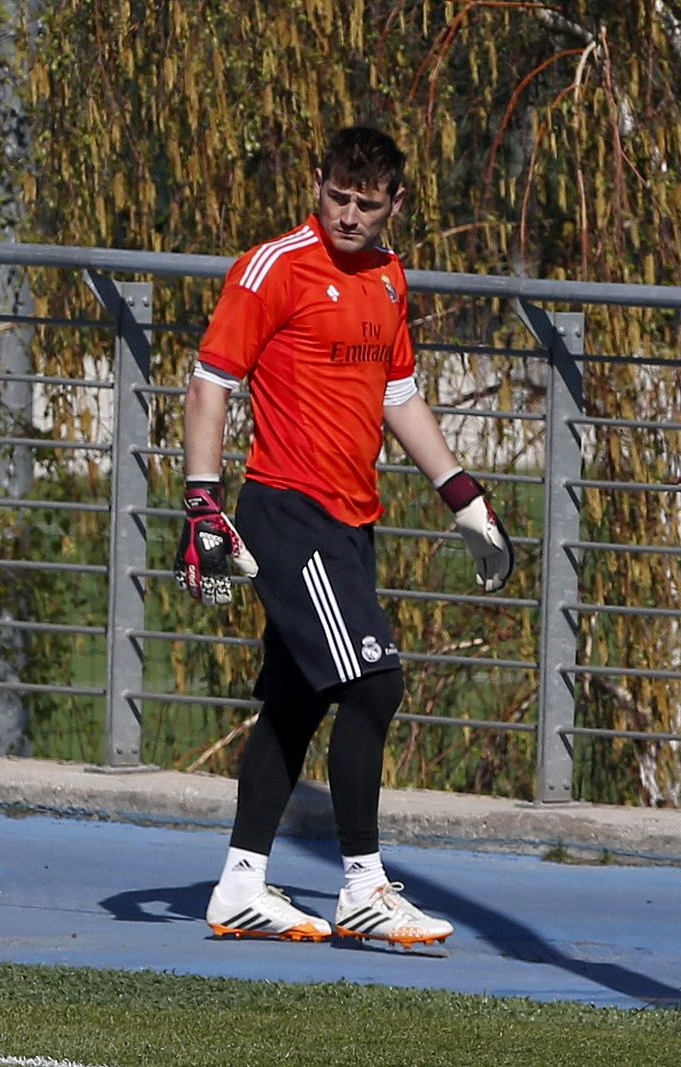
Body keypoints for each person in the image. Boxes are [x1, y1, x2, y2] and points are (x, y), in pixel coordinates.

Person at [176, 125, 513, 948]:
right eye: (337, 197)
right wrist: (202, 503)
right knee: (373, 684)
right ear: (314, 181)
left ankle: (240, 884)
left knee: (296, 700)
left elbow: (398, 393)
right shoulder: (275, 267)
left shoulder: (391, 278)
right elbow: (209, 383)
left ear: (396, 203)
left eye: (367, 203)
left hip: (352, 519)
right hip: (289, 512)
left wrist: (460, 492)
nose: (349, 216)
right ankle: (363, 883)